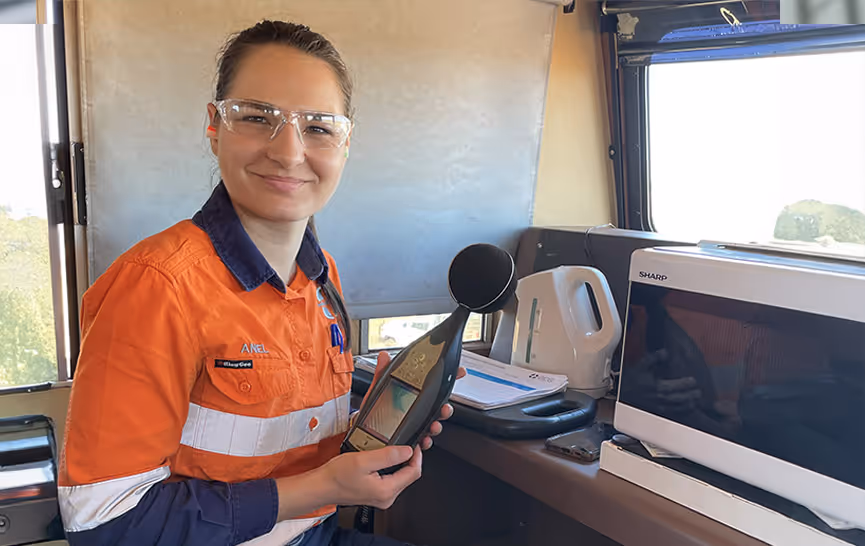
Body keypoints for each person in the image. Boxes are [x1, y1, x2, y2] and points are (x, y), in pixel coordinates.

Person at [57, 20, 461, 546]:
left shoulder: (323, 276)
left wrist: (369, 428)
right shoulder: (157, 286)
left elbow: (273, 438)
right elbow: (102, 524)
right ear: (214, 125)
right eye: (256, 117)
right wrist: (317, 487)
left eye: (318, 127)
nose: (289, 152)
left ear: (345, 143)